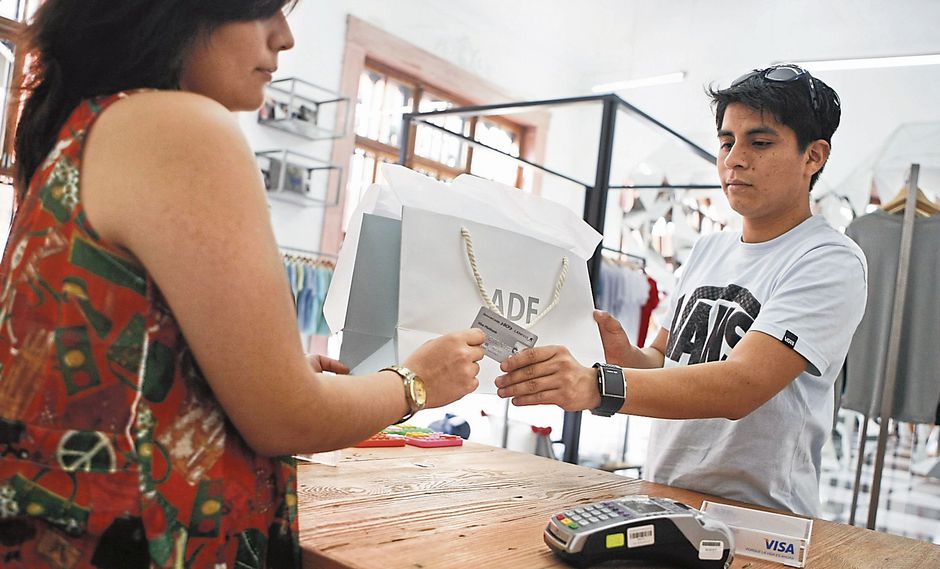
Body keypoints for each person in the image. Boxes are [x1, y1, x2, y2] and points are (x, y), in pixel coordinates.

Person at [0, 1, 485, 567]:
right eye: (263, 11)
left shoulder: (88, 125)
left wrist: (239, 377)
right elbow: (285, 417)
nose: (284, 39)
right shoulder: (178, 125)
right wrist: (416, 381)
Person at [496, 64, 867, 517]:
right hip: (666, 497)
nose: (735, 158)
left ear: (813, 156)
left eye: (760, 142)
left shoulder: (829, 260)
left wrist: (597, 386)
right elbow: (662, 359)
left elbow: (742, 386)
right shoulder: (708, 249)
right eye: (727, 142)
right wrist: (622, 354)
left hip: (759, 518)